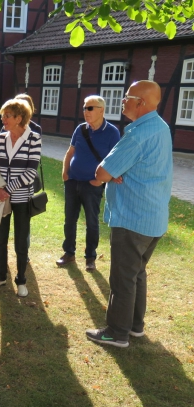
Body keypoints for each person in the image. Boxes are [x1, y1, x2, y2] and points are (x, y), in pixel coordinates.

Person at [86, 80, 173, 348]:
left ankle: (117, 333)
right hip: (153, 217)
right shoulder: (160, 126)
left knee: (123, 277)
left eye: (127, 97)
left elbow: (101, 174)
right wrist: (118, 172)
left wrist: (112, 173)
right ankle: (135, 327)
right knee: (136, 274)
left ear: (141, 103)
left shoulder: (137, 135)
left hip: (133, 218)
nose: (123, 101)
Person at [57, 95, 120, 272]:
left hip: (92, 186)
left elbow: (116, 160)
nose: (86, 111)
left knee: (92, 222)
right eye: (85, 108)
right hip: (72, 181)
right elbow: (70, 152)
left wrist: (99, 180)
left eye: (90, 108)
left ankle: (90, 257)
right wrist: (65, 172)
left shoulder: (112, 132)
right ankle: (68, 253)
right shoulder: (80, 129)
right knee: (70, 220)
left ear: (101, 110)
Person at [0, 99, 41, 297]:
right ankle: (0, 277)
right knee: (0, 240)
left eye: (7, 115)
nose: (3, 119)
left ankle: (21, 280)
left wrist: (6, 189)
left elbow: (30, 173)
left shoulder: (33, 138)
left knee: (20, 242)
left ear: (19, 118)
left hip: (21, 199)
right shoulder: (1, 138)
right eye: (3, 115)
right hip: (0, 198)